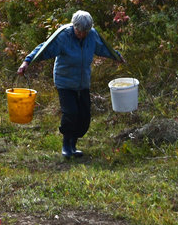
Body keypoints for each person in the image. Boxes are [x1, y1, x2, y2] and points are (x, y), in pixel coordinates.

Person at [17, 10, 125, 158]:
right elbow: (44, 48)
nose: (82, 34)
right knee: (71, 113)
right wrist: (26, 62)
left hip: (83, 82)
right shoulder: (63, 36)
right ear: (74, 26)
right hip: (65, 81)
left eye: (85, 31)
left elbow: (103, 48)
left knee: (84, 116)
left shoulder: (92, 35)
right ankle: (66, 145)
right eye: (79, 31)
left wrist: (116, 56)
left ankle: (73, 144)